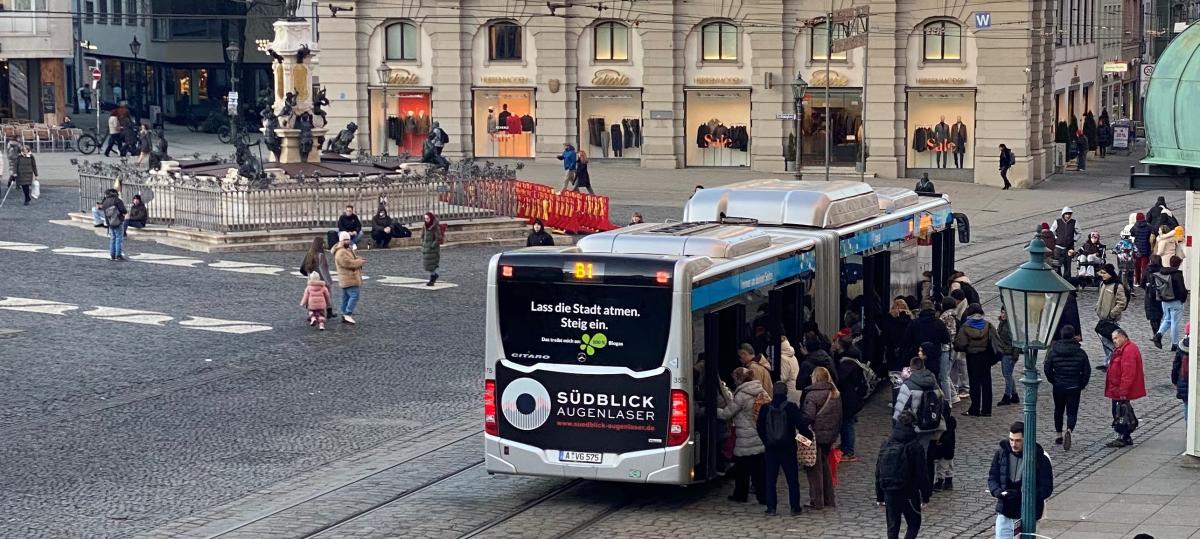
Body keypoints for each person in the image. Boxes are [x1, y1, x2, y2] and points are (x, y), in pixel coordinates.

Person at [988, 421, 1054, 538]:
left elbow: (1046, 489)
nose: (1014, 444)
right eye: (1011, 440)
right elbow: (993, 476)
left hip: (1028, 515)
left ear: (1027, 439)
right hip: (1005, 512)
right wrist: (996, 491)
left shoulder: (1040, 458)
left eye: (1018, 440)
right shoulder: (1001, 454)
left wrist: (1021, 494)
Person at [875, 410, 930, 539]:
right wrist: (925, 496)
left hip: (889, 490)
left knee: (893, 527)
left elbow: (879, 471)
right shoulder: (915, 446)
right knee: (913, 524)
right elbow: (922, 473)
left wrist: (880, 495)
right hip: (909, 492)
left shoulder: (887, 443)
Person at [717, 366, 768, 505]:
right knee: (759, 470)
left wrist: (711, 410)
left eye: (735, 379)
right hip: (759, 436)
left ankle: (740, 495)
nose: (734, 382)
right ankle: (763, 496)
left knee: (742, 470)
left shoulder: (742, 395)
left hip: (745, 438)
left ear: (739, 379)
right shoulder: (761, 391)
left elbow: (727, 413)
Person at [757, 381, 807, 515]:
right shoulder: (791, 407)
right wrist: (807, 441)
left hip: (771, 449)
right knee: (792, 480)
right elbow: (801, 427)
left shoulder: (765, 408)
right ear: (786, 392)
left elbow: (760, 428)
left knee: (770, 479)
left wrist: (767, 441)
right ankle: (795, 507)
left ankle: (771, 508)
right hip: (788, 448)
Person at [1043, 325, 1090, 451]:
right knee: (1072, 411)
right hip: (1074, 386)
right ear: (1073, 335)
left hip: (1059, 386)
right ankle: (1069, 429)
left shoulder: (1054, 351)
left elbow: (1047, 368)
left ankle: (1058, 434)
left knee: (1058, 410)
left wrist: (1053, 380)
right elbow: (1086, 371)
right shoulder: (1080, 352)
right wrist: (1082, 384)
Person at [801, 366, 842, 510]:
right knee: (824, 466)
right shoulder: (835, 393)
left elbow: (809, 416)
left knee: (813, 468)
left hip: (814, 436)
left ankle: (816, 500)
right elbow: (839, 417)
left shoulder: (812, 395)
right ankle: (829, 499)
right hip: (829, 436)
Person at [954, 303, 999, 417]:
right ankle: (986, 409)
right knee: (986, 383)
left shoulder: (966, 326)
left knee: (974, 383)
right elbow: (996, 340)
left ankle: (975, 409)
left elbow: (960, 343)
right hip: (985, 356)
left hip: (973, 357)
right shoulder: (988, 325)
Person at [1106, 329, 1147, 447]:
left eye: (1116, 338)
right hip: (1117, 389)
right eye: (1113, 339)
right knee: (1121, 412)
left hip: (1120, 390)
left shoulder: (1129, 350)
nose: (1114, 341)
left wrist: (1123, 390)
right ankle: (1125, 436)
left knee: (1120, 413)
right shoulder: (1123, 349)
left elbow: (1128, 373)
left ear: (1124, 337)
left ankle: (1123, 436)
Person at [893, 351, 942, 449]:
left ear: (911, 368)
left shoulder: (907, 386)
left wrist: (896, 425)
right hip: (931, 424)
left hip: (914, 426)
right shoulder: (934, 384)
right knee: (924, 451)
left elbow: (900, 408)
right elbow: (941, 404)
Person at [834, 337, 868, 463]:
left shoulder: (847, 363)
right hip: (851, 397)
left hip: (849, 398)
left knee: (848, 423)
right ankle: (845, 446)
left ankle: (848, 451)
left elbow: (841, 379)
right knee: (847, 422)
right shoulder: (851, 358)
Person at [1095, 264, 1128, 369]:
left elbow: (1122, 303)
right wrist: (1097, 309)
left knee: (1111, 342)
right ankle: (1108, 362)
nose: (1102, 275)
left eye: (1104, 273)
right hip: (1102, 318)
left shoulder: (1117, 286)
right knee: (1105, 342)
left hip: (1111, 320)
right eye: (1102, 273)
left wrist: (1112, 313)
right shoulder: (1102, 284)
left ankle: (1112, 363)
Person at [1153, 256, 1189, 350]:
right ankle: (1174, 344)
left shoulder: (1162, 272)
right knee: (1174, 323)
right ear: (1179, 264)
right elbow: (1182, 289)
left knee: (1167, 319)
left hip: (1164, 300)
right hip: (1176, 301)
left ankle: (1158, 335)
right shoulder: (1177, 274)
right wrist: (1183, 299)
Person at [332, 231, 365, 325]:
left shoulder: (347, 249)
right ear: (341, 241)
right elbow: (348, 263)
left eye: (348, 239)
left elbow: (352, 259)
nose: (347, 241)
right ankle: (347, 313)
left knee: (346, 297)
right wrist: (359, 262)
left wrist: (358, 259)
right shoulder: (341, 252)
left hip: (348, 278)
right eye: (345, 240)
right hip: (349, 278)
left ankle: (344, 313)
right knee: (354, 295)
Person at [903, 301, 950, 368]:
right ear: (933, 309)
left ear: (920, 309)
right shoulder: (939, 323)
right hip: (934, 355)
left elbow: (906, 340)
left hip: (917, 355)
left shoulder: (914, 323)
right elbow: (946, 339)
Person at [301, 236, 337, 320]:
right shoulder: (321, 255)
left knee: (311, 295)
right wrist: (328, 281)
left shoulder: (309, 254)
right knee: (326, 295)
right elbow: (323, 269)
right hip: (321, 280)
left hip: (311, 280)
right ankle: (329, 312)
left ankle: (311, 313)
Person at [928, 402, 956, 491]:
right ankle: (948, 481)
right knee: (949, 465)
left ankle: (939, 483)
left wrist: (940, 441)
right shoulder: (951, 422)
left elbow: (943, 436)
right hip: (950, 449)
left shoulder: (943, 423)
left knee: (942, 466)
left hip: (943, 448)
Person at [996, 306, 1020, 406]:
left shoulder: (1012, 325)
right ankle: (1014, 395)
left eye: (1004, 313)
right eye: (1002, 312)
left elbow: (1017, 341)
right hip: (1004, 351)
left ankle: (1007, 396)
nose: (1002, 315)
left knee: (1007, 375)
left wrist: (1014, 355)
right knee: (1008, 374)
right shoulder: (1003, 323)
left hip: (1009, 353)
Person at [938, 296, 960, 403]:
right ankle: (953, 396)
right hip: (951, 348)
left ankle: (948, 400)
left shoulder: (947, 316)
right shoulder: (953, 315)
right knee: (945, 374)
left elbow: (950, 333)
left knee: (944, 376)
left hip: (947, 348)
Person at [884, 296, 914, 372]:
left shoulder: (890, 319)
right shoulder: (911, 319)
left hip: (893, 350)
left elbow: (887, 335)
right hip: (907, 351)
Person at [1051, 206, 1080, 278]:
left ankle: (1067, 281)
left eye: (1069, 214)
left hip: (1069, 248)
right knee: (1057, 266)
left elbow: (1079, 233)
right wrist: (1056, 239)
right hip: (1058, 248)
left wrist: (1074, 239)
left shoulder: (1074, 222)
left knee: (1068, 266)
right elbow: (1052, 231)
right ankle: (1058, 280)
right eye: (1066, 214)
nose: (1068, 215)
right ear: (1063, 214)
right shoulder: (1057, 221)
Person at [99, 188, 127, 260]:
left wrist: (108, 224)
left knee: (113, 238)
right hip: (118, 221)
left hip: (110, 222)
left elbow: (105, 214)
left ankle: (112, 254)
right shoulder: (117, 200)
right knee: (119, 238)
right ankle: (118, 255)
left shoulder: (105, 202)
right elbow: (124, 210)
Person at [1143, 255, 1165, 333]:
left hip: (1150, 295)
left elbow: (1142, 281)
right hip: (1161, 295)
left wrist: (1147, 288)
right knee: (1158, 314)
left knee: (1152, 314)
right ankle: (1158, 330)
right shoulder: (1162, 270)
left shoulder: (1148, 270)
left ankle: (1155, 332)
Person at [1131, 212, 1155, 283]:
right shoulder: (1149, 226)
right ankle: (1144, 281)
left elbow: (1131, 233)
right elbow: (1154, 231)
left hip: (1137, 250)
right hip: (1146, 249)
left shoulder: (1135, 226)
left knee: (1137, 267)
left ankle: (1137, 281)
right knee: (1144, 267)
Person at [1173, 328, 1191, 419]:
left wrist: (1175, 381)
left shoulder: (1181, 347)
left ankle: (1189, 430)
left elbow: (1176, 366)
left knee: (1187, 406)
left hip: (1183, 381)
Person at [421, 211, 443, 286]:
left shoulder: (435, 227)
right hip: (426, 248)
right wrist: (423, 243)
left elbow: (438, 238)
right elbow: (422, 235)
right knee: (427, 265)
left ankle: (432, 278)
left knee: (432, 265)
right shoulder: (424, 226)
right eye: (425, 218)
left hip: (433, 249)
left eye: (427, 218)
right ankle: (434, 276)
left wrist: (432, 245)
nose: (426, 220)